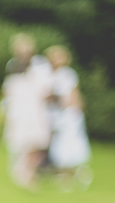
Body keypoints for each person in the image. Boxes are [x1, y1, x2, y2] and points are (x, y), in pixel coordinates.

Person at [0, 33, 52, 189]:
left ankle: (29, 172)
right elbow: (9, 89)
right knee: (19, 142)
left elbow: (46, 89)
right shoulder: (12, 65)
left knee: (36, 142)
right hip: (18, 110)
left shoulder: (41, 66)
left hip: (36, 110)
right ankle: (22, 173)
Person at [45, 45, 92, 190]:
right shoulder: (49, 74)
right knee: (58, 144)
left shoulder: (67, 74)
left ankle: (70, 174)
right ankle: (64, 173)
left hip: (68, 114)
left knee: (68, 143)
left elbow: (72, 96)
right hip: (55, 114)